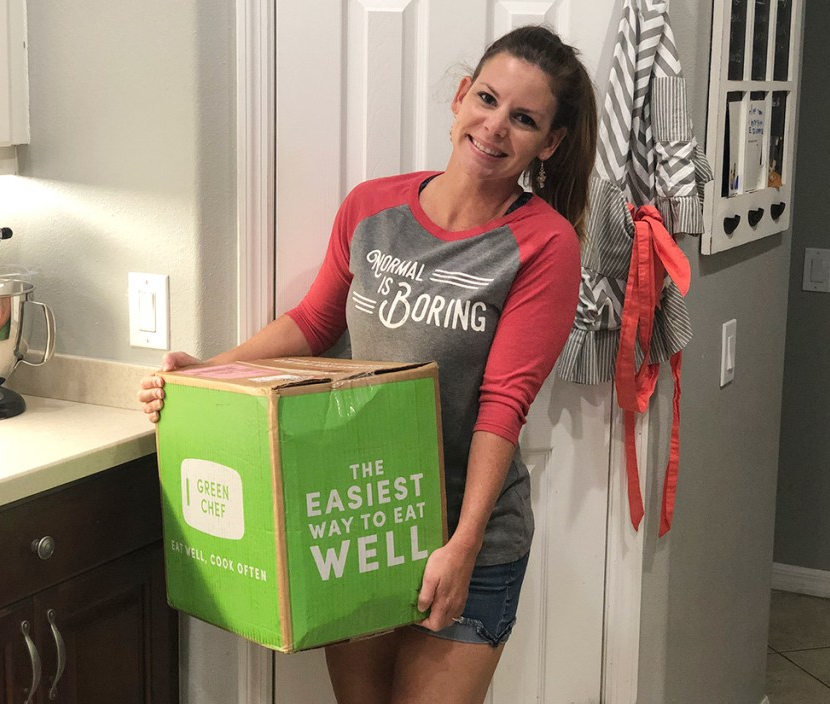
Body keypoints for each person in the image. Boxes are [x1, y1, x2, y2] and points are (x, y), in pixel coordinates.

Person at [138, 25, 597, 704]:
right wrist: (207, 372)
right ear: (461, 97)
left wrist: (463, 544)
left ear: (549, 144)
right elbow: (315, 323)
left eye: (523, 119)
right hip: (361, 525)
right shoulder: (372, 207)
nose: (495, 127)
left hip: (467, 537)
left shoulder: (543, 245)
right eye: (488, 99)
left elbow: (503, 401)